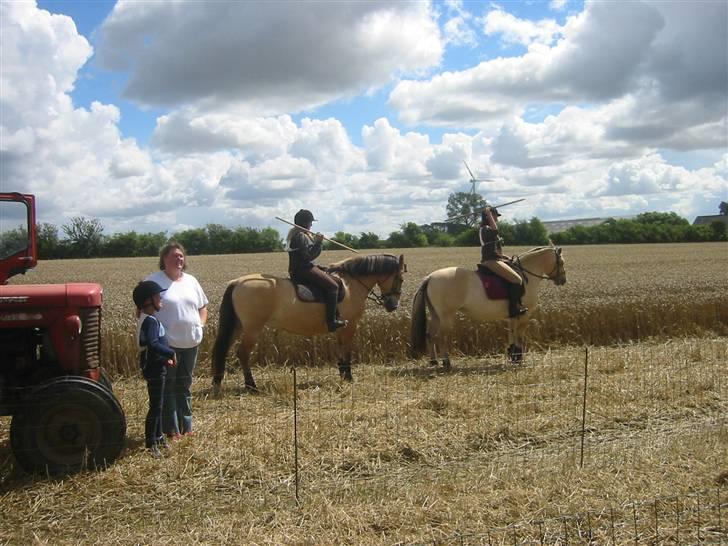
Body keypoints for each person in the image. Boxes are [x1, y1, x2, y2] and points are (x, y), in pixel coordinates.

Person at [145, 242, 208, 439]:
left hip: (191, 342)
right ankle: (171, 430)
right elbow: (143, 310)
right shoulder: (153, 282)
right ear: (164, 259)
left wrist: (200, 325)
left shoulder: (191, 281)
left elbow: (203, 307)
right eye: (174, 256)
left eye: (181, 256)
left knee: (185, 385)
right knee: (168, 386)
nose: (178, 259)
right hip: (168, 345)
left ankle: (187, 426)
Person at [133, 280, 177, 458]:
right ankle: (151, 442)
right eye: (158, 296)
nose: (161, 299)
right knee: (156, 406)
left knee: (158, 405)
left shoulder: (149, 319)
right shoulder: (150, 321)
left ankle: (158, 436)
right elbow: (152, 343)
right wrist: (170, 352)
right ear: (148, 301)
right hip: (154, 369)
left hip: (157, 366)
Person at [286, 209, 347, 332]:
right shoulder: (300, 236)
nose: (311, 225)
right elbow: (307, 257)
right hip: (303, 270)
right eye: (310, 222)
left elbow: (307, 258)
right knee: (333, 286)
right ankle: (331, 322)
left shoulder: (301, 235)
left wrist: (318, 267)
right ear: (304, 222)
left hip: (304, 268)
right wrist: (318, 243)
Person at [479, 206, 528, 317]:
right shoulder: (486, 229)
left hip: (495, 258)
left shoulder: (487, 229)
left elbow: (495, 251)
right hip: (491, 261)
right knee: (517, 280)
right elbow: (495, 230)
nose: (497, 218)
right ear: (489, 217)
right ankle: (513, 310)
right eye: (495, 215)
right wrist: (489, 212)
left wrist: (505, 257)